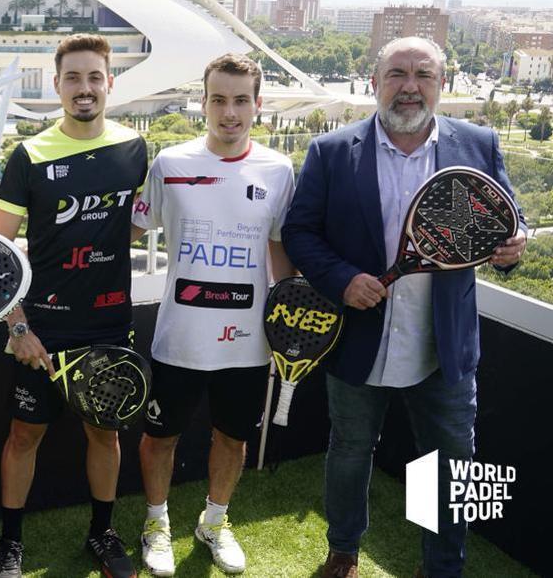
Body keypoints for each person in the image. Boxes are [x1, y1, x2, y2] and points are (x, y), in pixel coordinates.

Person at [282, 36, 527, 578]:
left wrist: (514, 245)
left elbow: (506, 222)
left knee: (448, 466)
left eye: (424, 74)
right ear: (375, 83)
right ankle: (343, 551)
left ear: (442, 84)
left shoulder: (480, 143)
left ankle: (441, 567)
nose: (410, 87)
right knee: (349, 452)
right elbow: (299, 231)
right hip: (360, 338)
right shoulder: (330, 151)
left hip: (444, 346)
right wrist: (343, 280)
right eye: (397, 74)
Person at [0, 33, 148, 578]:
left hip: (108, 323)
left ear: (109, 83)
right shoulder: (29, 155)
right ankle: (10, 543)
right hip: (42, 332)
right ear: (56, 86)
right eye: (73, 78)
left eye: (94, 77)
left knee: (105, 432)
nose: (84, 88)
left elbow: (142, 220)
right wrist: (16, 327)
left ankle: (103, 533)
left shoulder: (135, 150)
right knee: (23, 436)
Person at [130, 53, 295, 576]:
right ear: (203, 103)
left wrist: (290, 315)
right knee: (161, 437)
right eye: (219, 100)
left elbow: (280, 254)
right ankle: (156, 523)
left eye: (241, 100)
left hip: (247, 340)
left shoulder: (279, 169)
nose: (230, 112)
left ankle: (214, 522)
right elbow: (126, 234)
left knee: (233, 437)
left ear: (257, 105)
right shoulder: (170, 164)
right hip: (180, 336)